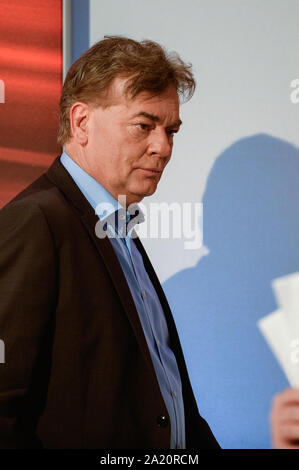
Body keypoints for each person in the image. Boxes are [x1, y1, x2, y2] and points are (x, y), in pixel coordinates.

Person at [0, 36, 219, 449]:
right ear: (81, 122)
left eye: (171, 130)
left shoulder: (120, 231)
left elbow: (169, 397)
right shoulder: (36, 222)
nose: (163, 147)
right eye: (144, 126)